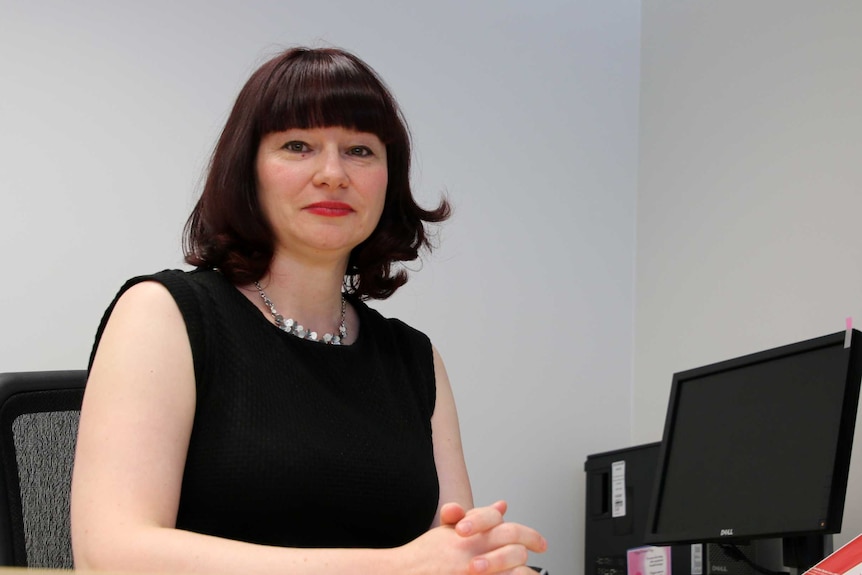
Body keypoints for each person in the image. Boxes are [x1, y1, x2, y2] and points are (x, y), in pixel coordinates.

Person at [70, 46, 547, 575]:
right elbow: (111, 552)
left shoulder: (415, 359)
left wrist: (489, 565)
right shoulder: (164, 315)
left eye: (360, 151)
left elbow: (445, 551)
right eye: (298, 146)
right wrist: (391, 570)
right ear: (247, 170)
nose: (332, 173)